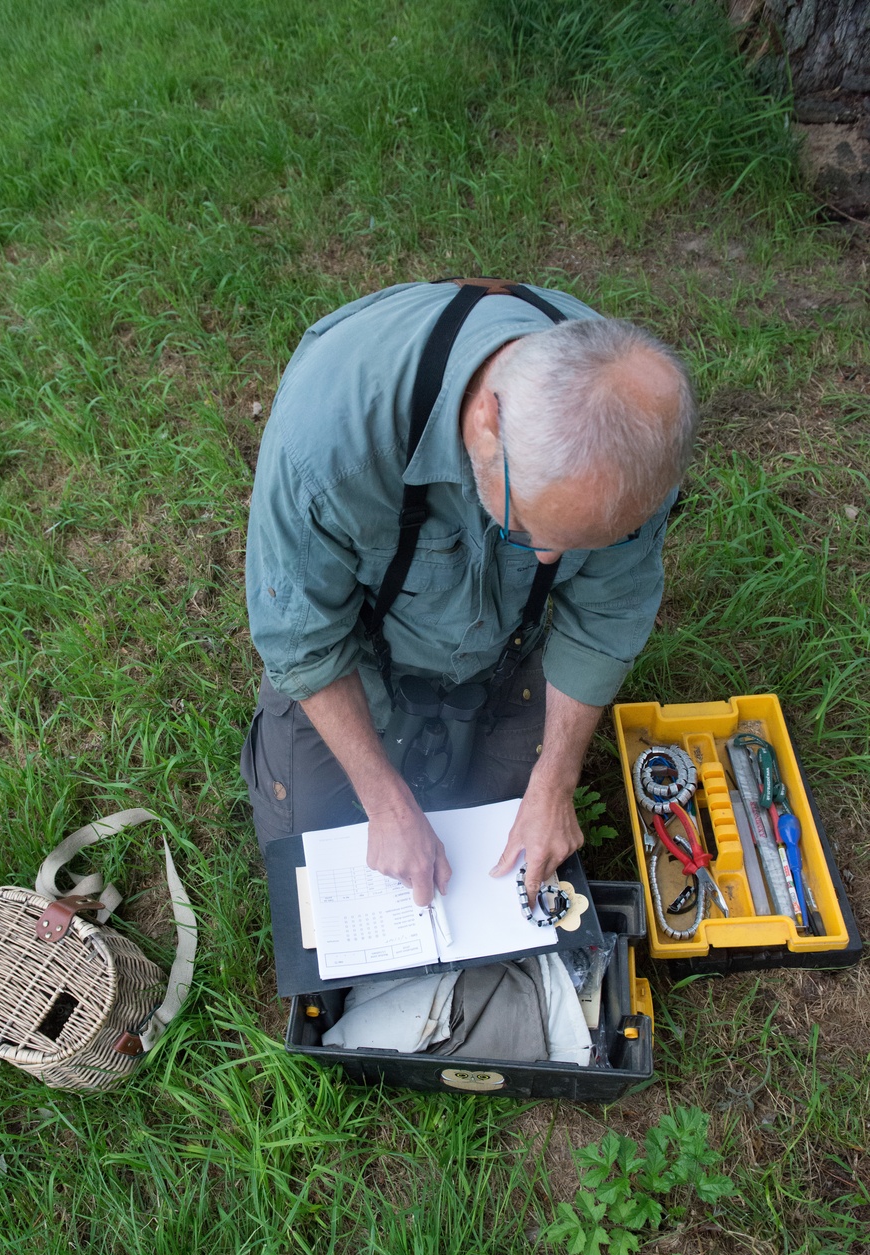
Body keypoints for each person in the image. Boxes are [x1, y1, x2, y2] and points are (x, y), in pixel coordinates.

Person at [240, 278, 695, 910]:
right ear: (486, 424)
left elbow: (606, 617)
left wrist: (556, 782)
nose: (545, 558)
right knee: (319, 876)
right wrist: (385, 802)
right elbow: (301, 637)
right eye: (528, 527)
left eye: (578, 543)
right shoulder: (328, 442)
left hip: (507, 650)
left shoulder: (637, 440)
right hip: (356, 656)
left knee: (504, 872)